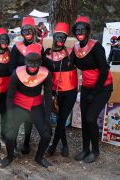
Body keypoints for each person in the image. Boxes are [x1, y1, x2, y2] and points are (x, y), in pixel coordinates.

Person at [0, 43, 52, 168]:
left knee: (46, 134)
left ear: (41, 61)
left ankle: (39, 157)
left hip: (36, 106)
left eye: (36, 62)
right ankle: (9, 156)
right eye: (30, 61)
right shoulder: (17, 73)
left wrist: (47, 118)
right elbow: (10, 96)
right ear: (25, 60)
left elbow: (48, 97)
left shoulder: (46, 73)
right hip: (19, 104)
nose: (33, 66)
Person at [72, 16, 113, 163]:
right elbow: (70, 62)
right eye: (77, 30)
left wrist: (95, 92)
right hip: (87, 87)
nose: (80, 32)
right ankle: (85, 149)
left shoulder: (96, 47)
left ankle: (95, 151)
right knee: (84, 119)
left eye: (83, 29)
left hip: (102, 88)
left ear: (88, 31)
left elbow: (103, 71)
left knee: (90, 118)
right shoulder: (76, 48)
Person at [43, 22, 78, 157]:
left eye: (63, 38)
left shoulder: (71, 52)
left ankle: (55, 145)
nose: (60, 40)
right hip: (55, 92)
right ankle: (64, 144)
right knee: (59, 119)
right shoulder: (47, 55)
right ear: (53, 37)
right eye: (58, 37)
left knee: (62, 119)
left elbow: (85, 62)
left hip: (71, 92)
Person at [10, 16, 43, 154]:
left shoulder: (40, 47)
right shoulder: (16, 47)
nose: (27, 32)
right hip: (19, 87)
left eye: (30, 29)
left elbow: (43, 66)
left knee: (29, 118)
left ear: (34, 31)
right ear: (21, 32)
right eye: (25, 30)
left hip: (34, 87)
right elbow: (11, 67)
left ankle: (26, 142)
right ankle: (13, 144)